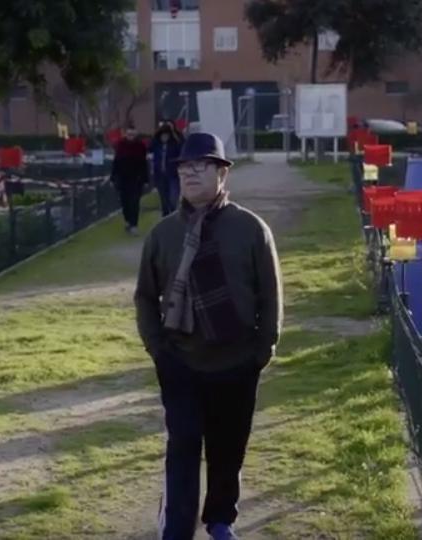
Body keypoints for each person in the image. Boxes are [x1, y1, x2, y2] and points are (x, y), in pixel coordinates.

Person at [134, 132, 283, 540]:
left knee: (227, 448)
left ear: (222, 173)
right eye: (184, 167)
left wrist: (262, 349)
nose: (190, 173)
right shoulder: (163, 234)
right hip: (181, 361)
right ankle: (177, 527)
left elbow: (270, 294)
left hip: (237, 361)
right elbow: (145, 296)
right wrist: (158, 349)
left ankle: (220, 520)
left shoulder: (250, 229)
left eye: (201, 165)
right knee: (182, 445)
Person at [111, 122, 150, 235]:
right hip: (123, 179)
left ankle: (134, 224)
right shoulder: (121, 145)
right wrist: (113, 177)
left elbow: (144, 163)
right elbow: (116, 162)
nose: (130, 137)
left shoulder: (140, 146)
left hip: (136, 179)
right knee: (125, 202)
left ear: (135, 135)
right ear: (126, 135)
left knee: (134, 202)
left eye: (132, 135)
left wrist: (145, 179)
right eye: (129, 135)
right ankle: (128, 220)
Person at [151, 120, 184, 216]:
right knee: (163, 196)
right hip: (160, 175)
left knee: (173, 196)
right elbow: (149, 150)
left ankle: (173, 211)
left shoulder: (175, 145)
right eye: (163, 136)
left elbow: (181, 154)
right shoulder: (156, 145)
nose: (164, 138)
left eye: (166, 135)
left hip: (173, 174)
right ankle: (166, 213)